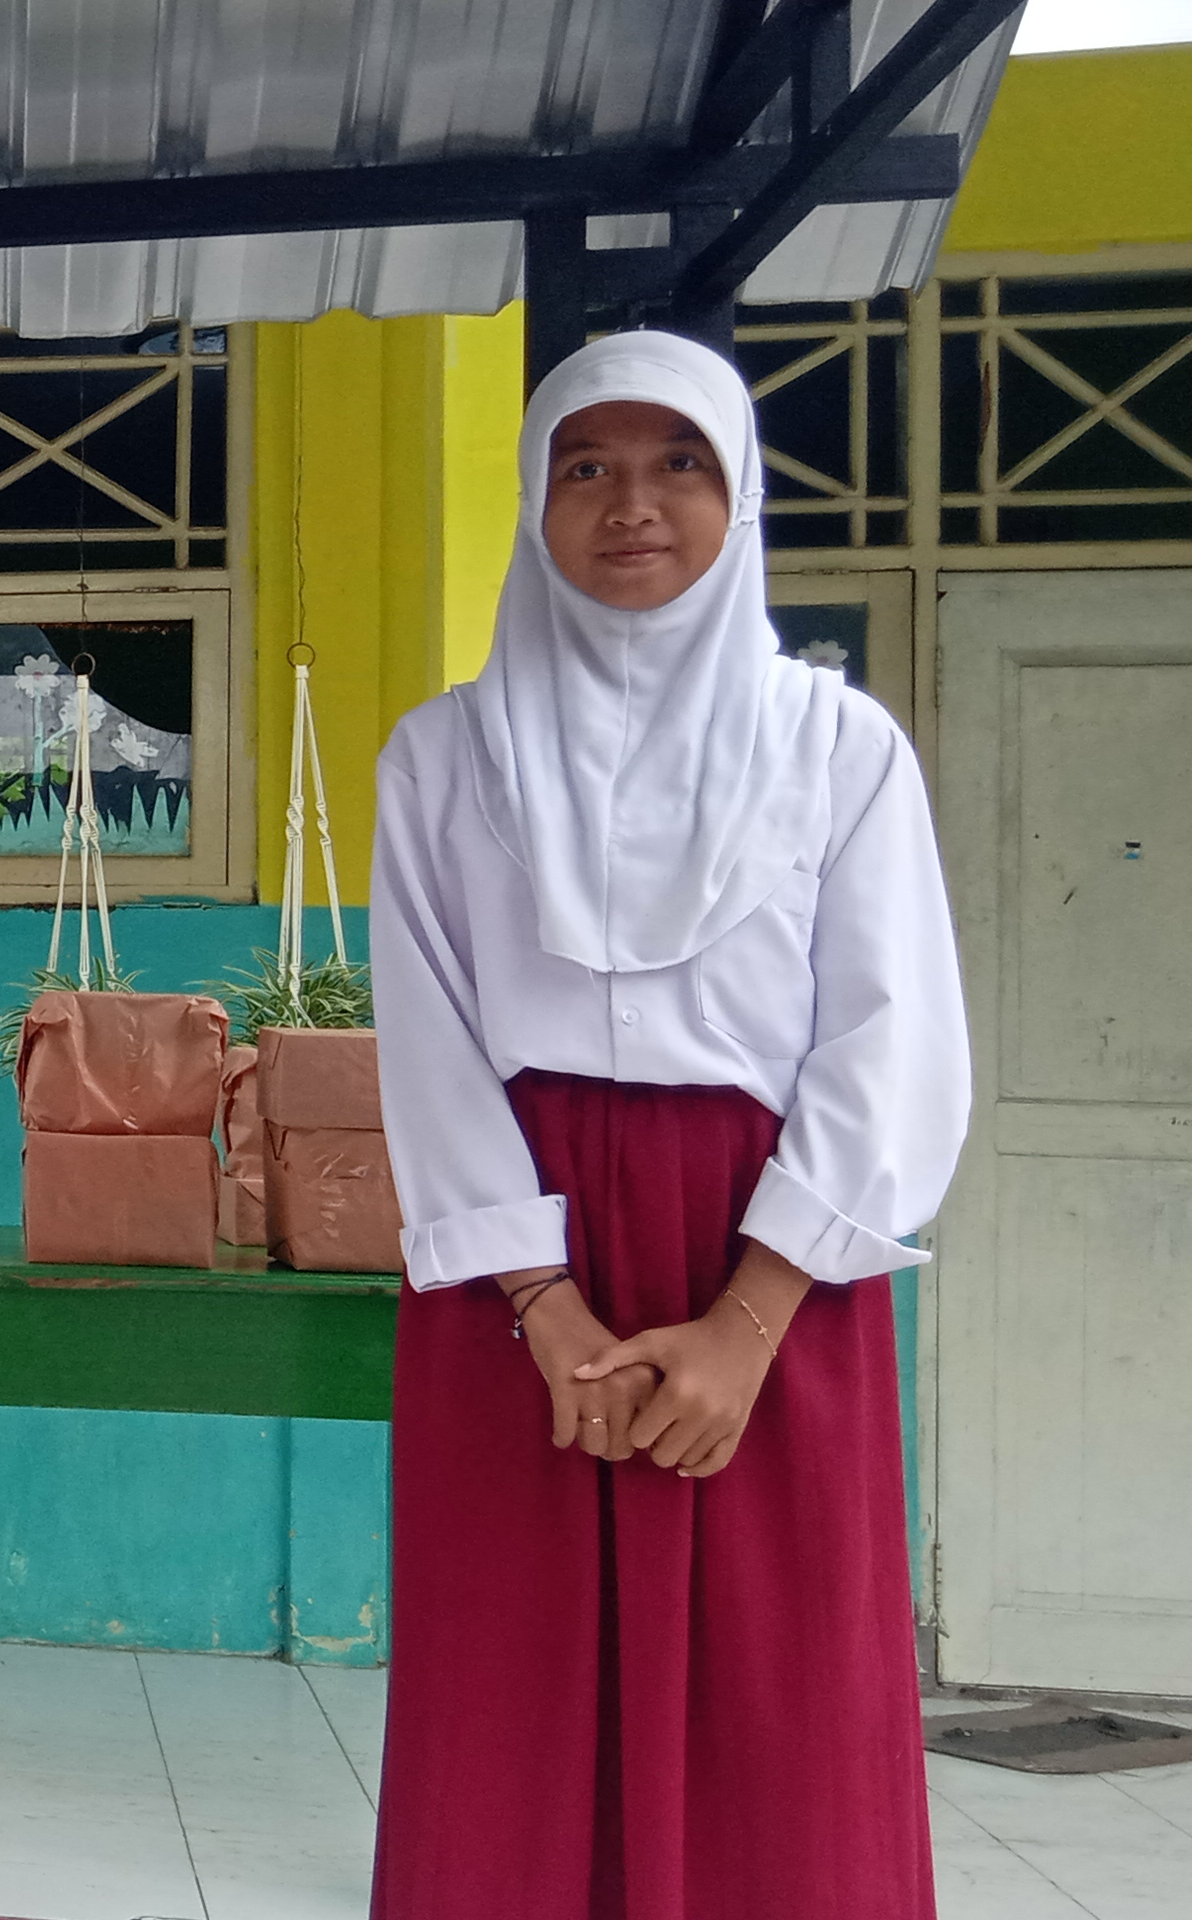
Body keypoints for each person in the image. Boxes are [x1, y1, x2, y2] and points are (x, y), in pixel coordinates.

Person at [365, 330, 968, 1919]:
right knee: (509, 1705)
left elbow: (890, 1042)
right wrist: (545, 1308)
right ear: (535, 503)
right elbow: (429, 1047)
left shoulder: (840, 750)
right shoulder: (442, 759)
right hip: (520, 1285)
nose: (632, 505)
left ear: (740, 493)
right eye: (587, 468)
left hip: (769, 1270)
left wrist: (747, 1325)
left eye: (678, 464)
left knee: (783, 1714)